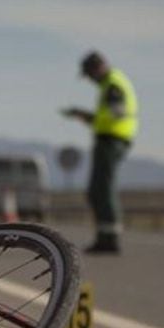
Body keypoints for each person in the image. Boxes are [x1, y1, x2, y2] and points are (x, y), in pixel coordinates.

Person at [62, 51, 138, 254]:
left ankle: (109, 238)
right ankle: (105, 237)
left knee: (102, 190)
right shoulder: (110, 84)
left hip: (112, 140)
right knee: (98, 190)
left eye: (89, 74)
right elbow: (107, 116)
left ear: (98, 68)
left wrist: (88, 117)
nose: (90, 79)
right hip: (110, 138)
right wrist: (84, 116)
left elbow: (116, 114)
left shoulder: (113, 84)